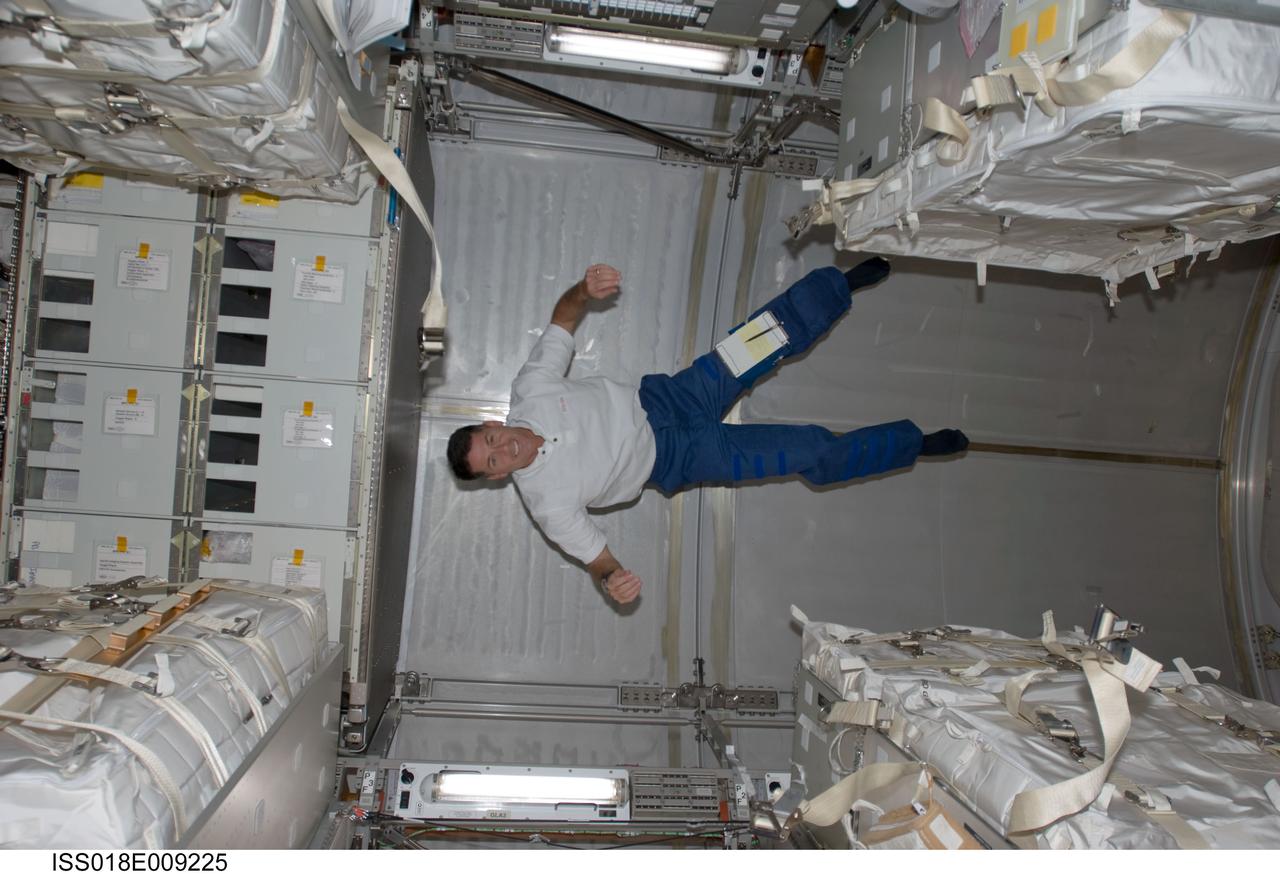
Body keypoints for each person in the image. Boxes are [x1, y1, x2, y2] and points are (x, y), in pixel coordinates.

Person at [447, 259, 968, 606]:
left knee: (764, 336)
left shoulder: (530, 388)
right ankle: (914, 444)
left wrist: (584, 290)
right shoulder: (548, 505)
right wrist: (613, 581)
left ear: (493, 424)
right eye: (492, 461)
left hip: (673, 397)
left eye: (491, 440)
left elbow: (562, 318)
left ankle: (841, 286)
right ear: (496, 477)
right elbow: (599, 560)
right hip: (685, 457)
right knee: (807, 450)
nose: (502, 449)